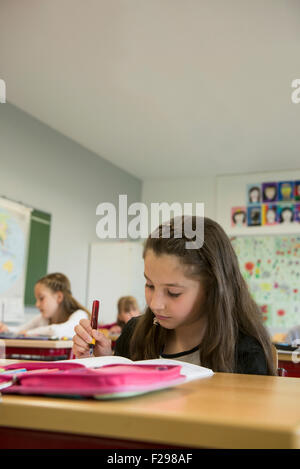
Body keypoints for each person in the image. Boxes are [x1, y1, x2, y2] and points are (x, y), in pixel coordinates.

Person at [73, 217, 276, 375]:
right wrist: (102, 363)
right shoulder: (134, 334)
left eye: (173, 292)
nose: (155, 304)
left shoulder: (246, 352)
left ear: (213, 288)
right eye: (149, 285)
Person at [0, 273, 90, 338]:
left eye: (41, 298)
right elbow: (21, 330)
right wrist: (6, 329)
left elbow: (56, 331)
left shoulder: (80, 316)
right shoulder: (43, 318)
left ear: (59, 297)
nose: (37, 304)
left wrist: (29, 333)